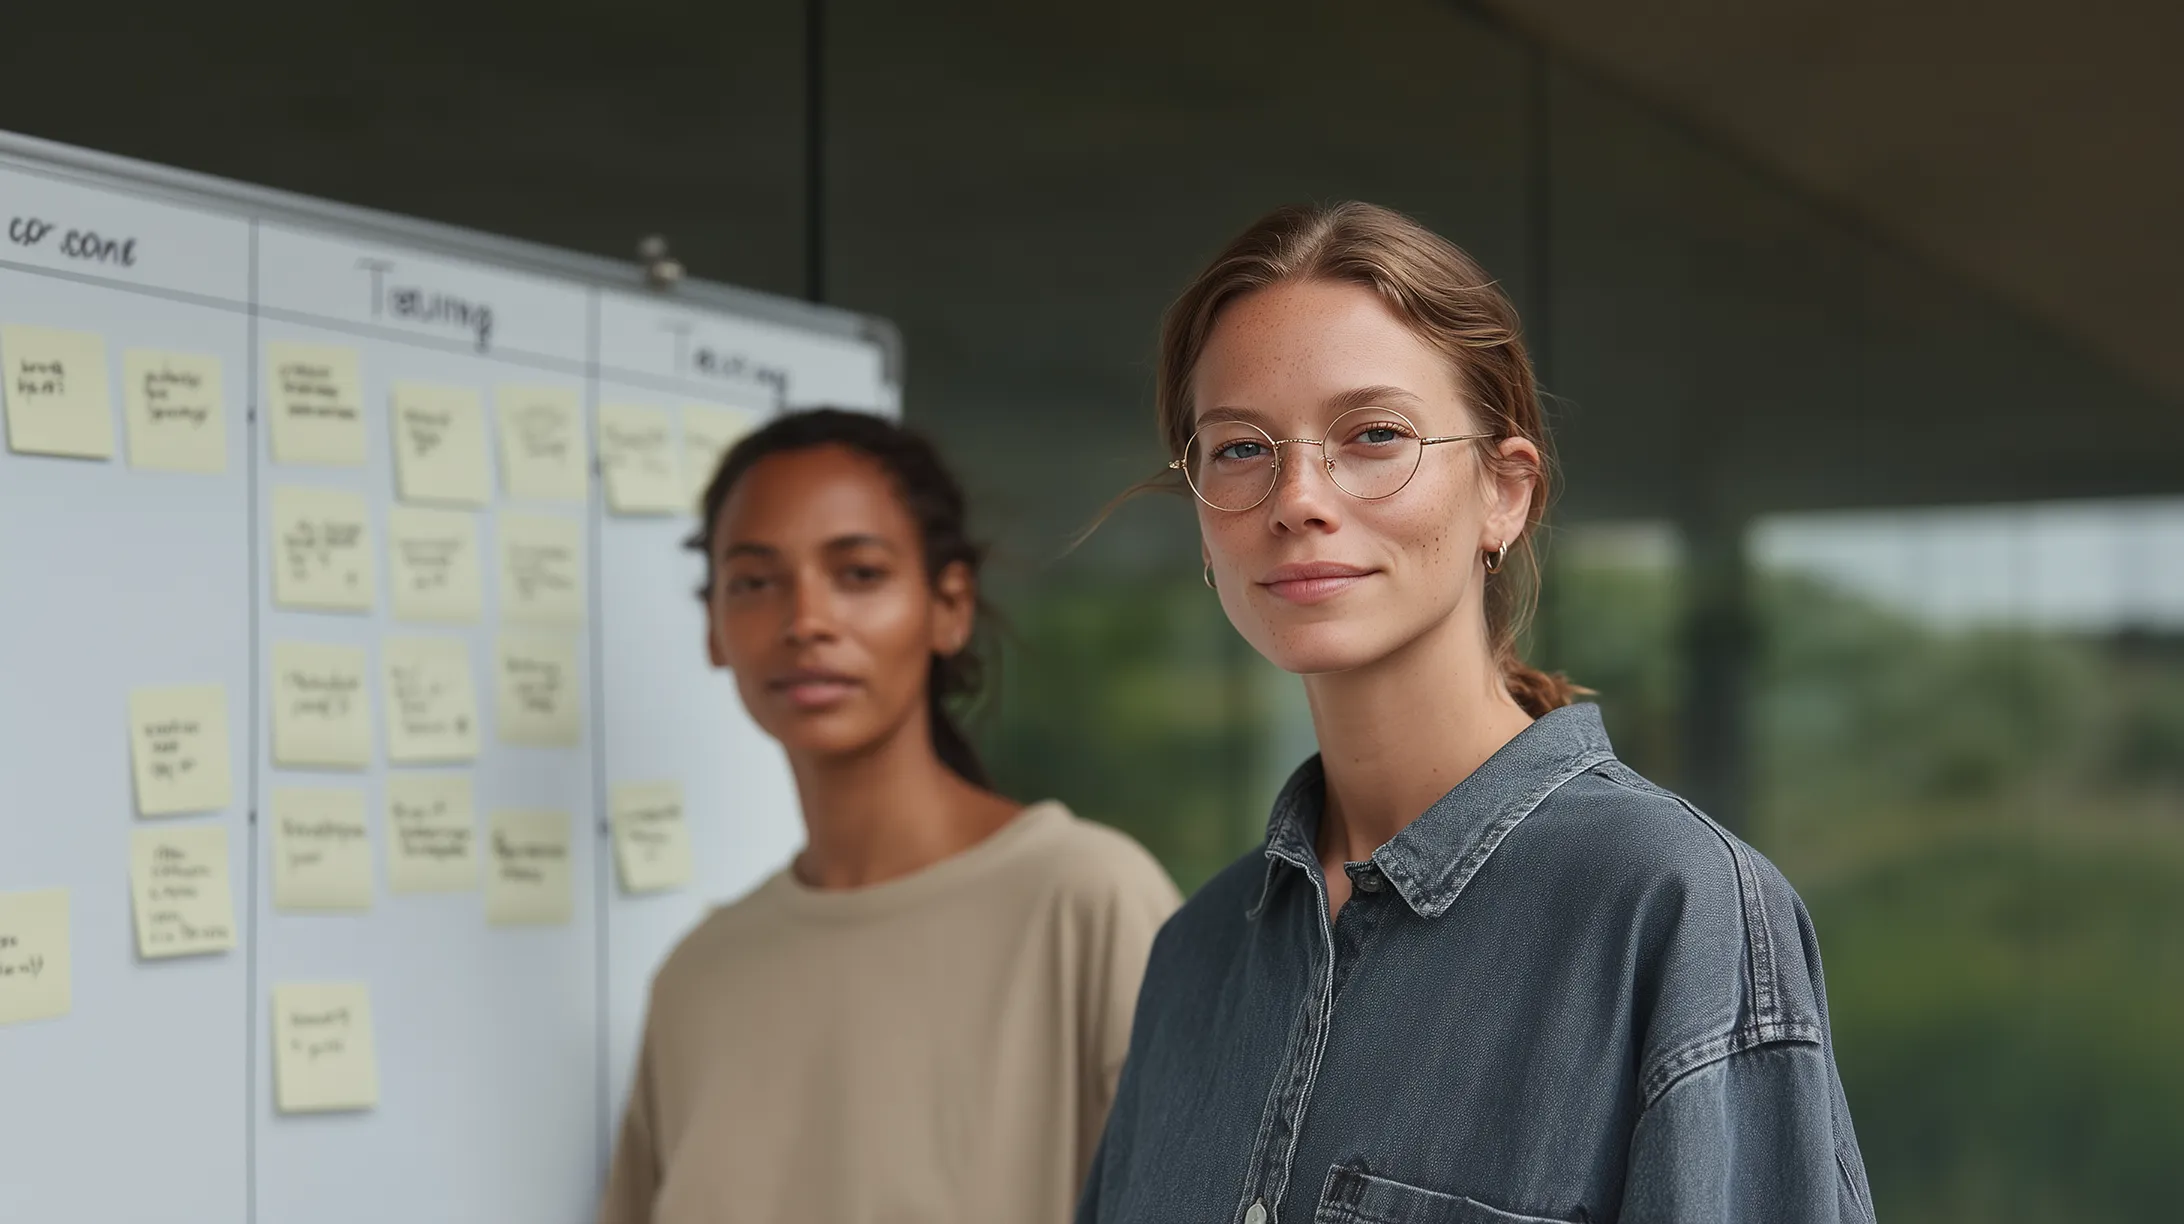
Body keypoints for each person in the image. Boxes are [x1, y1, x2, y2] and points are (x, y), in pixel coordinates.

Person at [1077, 204, 1873, 1224]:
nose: (1298, 498)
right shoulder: (1197, 957)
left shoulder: (1671, 909)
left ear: (1505, 492)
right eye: (1240, 448)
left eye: (1374, 435)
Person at [601, 408, 1179, 1224]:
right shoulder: (697, 979)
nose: (806, 621)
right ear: (714, 630)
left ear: (949, 606)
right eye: (756, 581)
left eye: (859, 573)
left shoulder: (1085, 900)